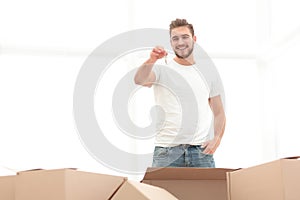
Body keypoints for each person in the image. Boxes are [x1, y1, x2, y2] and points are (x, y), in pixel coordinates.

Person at [134, 18, 226, 168]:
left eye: (185, 37)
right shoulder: (161, 68)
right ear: (171, 43)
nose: (180, 42)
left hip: (201, 153)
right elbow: (139, 80)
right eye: (175, 38)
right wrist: (151, 59)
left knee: (206, 192)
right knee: (162, 192)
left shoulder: (208, 73)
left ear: (194, 39)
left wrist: (217, 138)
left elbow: (219, 112)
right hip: (166, 152)